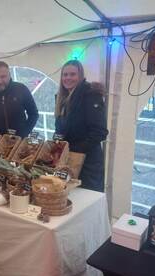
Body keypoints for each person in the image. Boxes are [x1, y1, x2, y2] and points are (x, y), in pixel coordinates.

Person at [54, 60, 109, 192]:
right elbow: (60, 128)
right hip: (68, 160)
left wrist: (75, 149)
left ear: (80, 76)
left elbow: (100, 132)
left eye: (72, 74)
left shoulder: (91, 95)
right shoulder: (60, 97)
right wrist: (57, 145)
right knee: (69, 196)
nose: (68, 78)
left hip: (88, 163)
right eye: (65, 75)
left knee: (87, 200)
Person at [0, 61, 39, 138]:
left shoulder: (21, 89)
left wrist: (24, 132)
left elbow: (33, 114)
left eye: (3, 77)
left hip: (19, 142)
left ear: (9, 75)